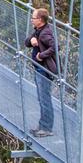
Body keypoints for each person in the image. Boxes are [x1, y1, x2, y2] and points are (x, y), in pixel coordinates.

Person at [25, 8, 58, 137]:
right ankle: (43, 125)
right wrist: (32, 42)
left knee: (44, 99)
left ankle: (47, 128)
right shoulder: (39, 31)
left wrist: (41, 56)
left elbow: (55, 47)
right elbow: (27, 41)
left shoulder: (45, 33)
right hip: (40, 69)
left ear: (40, 20)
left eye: (33, 18)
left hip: (44, 70)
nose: (31, 20)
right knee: (42, 98)